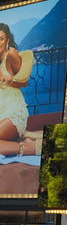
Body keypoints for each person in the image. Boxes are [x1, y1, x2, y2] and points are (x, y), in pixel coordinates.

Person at [0, 23, 37, 156]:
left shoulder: (11, 54)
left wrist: (8, 80)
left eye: (1, 39)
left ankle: (29, 148)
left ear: (7, 40)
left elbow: (23, 82)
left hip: (13, 112)